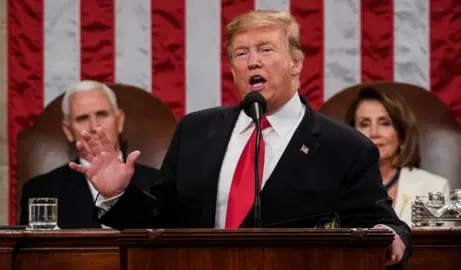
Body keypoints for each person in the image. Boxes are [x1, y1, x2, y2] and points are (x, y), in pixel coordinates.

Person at [70, 11, 410, 267]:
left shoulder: (345, 147)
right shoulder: (195, 132)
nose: (253, 62)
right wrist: (117, 194)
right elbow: (162, 223)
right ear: (232, 69)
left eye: (265, 49)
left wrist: (391, 239)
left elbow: (383, 224)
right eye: (241, 54)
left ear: (296, 63)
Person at [19, 80, 160, 229]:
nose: (94, 126)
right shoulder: (41, 191)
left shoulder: (158, 184)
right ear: (68, 131)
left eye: (102, 114)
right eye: (82, 118)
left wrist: (115, 196)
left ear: (119, 121)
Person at [345, 87, 451, 226]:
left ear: (401, 135)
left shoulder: (434, 187)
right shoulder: (334, 189)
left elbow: (445, 246)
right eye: (364, 124)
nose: (374, 133)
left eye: (384, 123)